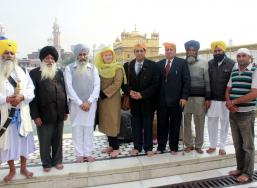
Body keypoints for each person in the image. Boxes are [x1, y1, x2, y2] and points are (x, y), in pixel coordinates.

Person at [0, 38, 35, 182]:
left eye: (11, 53)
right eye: (6, 53)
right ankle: (12, 170)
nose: (9, 55)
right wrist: (6, 99)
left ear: (15, 56)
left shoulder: (23, 71)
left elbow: (31, 90)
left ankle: (24, 168)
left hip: (22, 113)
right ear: (1, 55)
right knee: (8, 142)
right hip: (5, 113)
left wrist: (22, 96)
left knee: (23, 141)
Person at [29, 46, 69, 172]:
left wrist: (66, 110)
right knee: (45, 140)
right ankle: (46, 162)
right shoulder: (34, 73)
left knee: (58, 139)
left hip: (59, 112)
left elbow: (64, 91)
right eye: (47, 58)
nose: (50, 60)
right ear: (42, 59)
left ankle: (57, 161)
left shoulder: (59, 72)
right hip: (43, 114)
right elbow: (32, 97)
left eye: (52, 58)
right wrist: (35, 116)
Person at [225, 48, 257, 183]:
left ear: (249, 58)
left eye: (244, 56)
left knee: (248, 146)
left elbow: (254, 93)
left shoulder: (254, 71)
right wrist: (228, 103)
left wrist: (234, 102)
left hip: (247, 113)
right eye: (238, 56)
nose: (241, 58)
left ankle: (248, 173)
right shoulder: (234, 70)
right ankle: (240, 168)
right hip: (233, 113)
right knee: (238, 144)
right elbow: (228, 89)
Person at [64, 44, 100, 162]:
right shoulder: (69, 68)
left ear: (87, 55)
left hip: (91, 104)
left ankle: (88, 153)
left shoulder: (93, 68)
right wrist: (80, 103)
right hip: (76, 105)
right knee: (77, 128)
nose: (82, 57)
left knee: (89, 128)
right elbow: (69, 87)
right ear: (76, 56)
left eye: (84, 54)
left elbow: (97, 86)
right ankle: (79, 154)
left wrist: (89, 101)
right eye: (80, 54)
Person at [156, 42, 190, 155]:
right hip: (162, 101)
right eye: (167, 50)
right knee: (161, 125)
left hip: (177, 101)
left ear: (174, 51)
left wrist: (184, 97)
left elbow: (187, 81)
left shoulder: (182, 63)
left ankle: (174, 147)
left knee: (175, 125)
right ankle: (161, 146)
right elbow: (156, 83)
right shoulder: (160, 64)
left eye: (171, 49)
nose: (169, 51)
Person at [126, 43, 159, 157]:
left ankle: (148, 148)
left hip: (147, 101)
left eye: (141, 51)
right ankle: (137, 147)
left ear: (145, 52)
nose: (139, 53)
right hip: (134, 101)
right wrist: (129, 92)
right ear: (134, 52)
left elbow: (155, 84)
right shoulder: (128, 65)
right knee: (136, 126)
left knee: (148, 126)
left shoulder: (152, 65)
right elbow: (125, 83)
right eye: (137, 51)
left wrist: (142, 94)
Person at [95, 47, 126, 158]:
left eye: (109, 55)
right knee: (106, 122)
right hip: (102, 100)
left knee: (112, 122)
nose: (108, 57)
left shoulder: (117, 67)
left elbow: (117, 84)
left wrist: (104, 93)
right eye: (105, 55)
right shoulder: (100, 68)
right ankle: (111, 146)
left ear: (113, 56)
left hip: (112, 99)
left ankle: (116, 148)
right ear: (102, 57)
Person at [207, 41, 235, 155]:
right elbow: (207, 81)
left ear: (224, 51)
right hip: (212, 99)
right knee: (211, 122)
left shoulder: (231, 63)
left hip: (225, 100)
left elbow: (232, 82)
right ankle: (212, 145)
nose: (217, 53)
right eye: (215, 51)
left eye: (219, 51)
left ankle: (222, 146)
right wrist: (207, 98)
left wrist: (231, 100)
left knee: (224, 123)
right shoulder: (210, 63)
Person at [183, 40, 210, 154]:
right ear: (187, 51)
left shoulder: (204, 63)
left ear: (196, 51)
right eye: (189, 50)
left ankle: (198, 145)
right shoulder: (182, 63)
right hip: (186, 98)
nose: (191, 52)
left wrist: (208, 98)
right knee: (186, 122)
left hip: (200, 98)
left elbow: (207, 81)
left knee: (199, 122)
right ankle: (188, 145)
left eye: (193, 50)